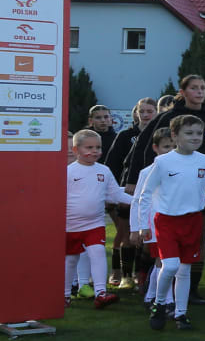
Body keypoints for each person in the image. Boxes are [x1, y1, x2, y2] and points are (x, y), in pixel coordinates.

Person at [123, 75, 205, 306]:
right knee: (160, 244)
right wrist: (133, 177)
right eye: (194, 88)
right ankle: (153, 287)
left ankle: (190, 289)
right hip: (169, 193)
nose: (200, 92)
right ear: (183, 92)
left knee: (196, 240)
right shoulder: (167, 118)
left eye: (203, 87)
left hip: (198, 190)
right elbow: (144, 145)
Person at [139, 115, 205, 331]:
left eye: (199, 133)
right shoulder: (162, 162)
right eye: (189, 133)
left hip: (192, 221)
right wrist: (142, 224)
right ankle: (159, 303)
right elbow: (145, 194)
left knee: (184, 270)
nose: (195, 137)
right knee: (170, 266)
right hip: (166, 221)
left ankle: (181, 314)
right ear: (175, 136)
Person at [66, 130, 134, 308]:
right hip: (70, 225)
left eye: (98, 147)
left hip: (95, 224)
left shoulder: (104, 171)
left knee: (97, 253)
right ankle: (64, 295)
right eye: (89, 147)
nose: (94, 151)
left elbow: (115, 194)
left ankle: (101, 293)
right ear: (76, 150)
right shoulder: (68, 172)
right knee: (71, 259)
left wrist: (139, 202)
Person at [107, 97, 158, 290]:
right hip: (128, 190)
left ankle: (141, 274)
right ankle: (124, 275)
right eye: (141, 111)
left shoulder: (159, 135)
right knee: (126, 233)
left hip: (152, 193)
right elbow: (113, 163)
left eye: (149, 111)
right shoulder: (125, 136)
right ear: (135, 114)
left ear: (156, 113)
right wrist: (114, 191)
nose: (145, 115)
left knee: (147, 235)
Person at [128, 128, 174, 309]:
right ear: (155, 148)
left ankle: (151, 296)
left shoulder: (183, 169)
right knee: (163, 261)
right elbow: (137, 200)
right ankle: (166, 300)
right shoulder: (147, 172)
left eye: (174, 147)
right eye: (166, 147)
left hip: (174, 223)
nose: (170, 151)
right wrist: (135, 227)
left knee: (165, 262)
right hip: (154, 225)